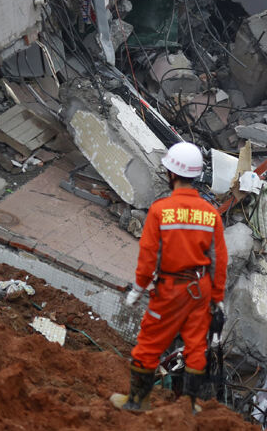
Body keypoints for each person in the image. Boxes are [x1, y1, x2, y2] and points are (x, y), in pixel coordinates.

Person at [110, 141, 228, 413]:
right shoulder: (211, 215)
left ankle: (137, 401)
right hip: (200, 289)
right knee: (196, 346)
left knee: (150, 343)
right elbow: (219, 260)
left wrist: (138, 289)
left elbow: (149, 255)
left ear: (172, 174)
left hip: (171, 289)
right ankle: (188, 407)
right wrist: (217, 298)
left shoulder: (160, 210)